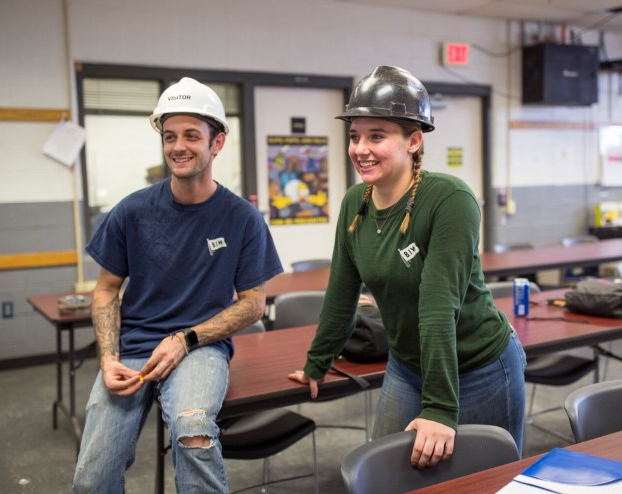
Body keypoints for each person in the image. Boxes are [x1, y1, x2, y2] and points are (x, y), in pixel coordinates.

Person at [289, 65, 526, 470]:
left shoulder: (450, 199)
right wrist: (318, 362)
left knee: (484, 480)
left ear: (414, 141)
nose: (361, 148)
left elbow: (437, 307)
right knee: (387, 475)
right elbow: (342, 293)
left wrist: (438, 409)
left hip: (480, 365)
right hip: (407, 365)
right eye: (355, 136)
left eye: (376, 136)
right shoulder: (355, 203)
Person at [73, 77, 283, 493]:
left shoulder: (242, 219)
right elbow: (106, 290)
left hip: (200, 349)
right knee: (93, 472)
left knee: (193, 431)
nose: (178, 146)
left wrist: (184, 340)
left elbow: (253, 304)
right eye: (169, 136)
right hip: (132, 349)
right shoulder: (132, 212)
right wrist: (108, 358)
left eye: (191, 135)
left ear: (217, 143)